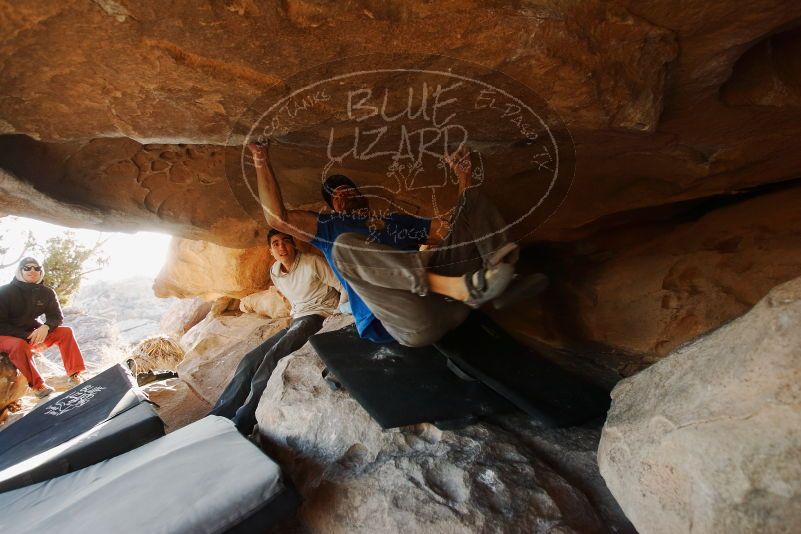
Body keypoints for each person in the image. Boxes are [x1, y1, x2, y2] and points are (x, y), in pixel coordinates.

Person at [248, 141, 522, 348]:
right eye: (337, 197)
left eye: (350, 191)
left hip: (452, 303)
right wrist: (260, 157)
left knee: (472, 201)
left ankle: (501, 275)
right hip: (410, 318)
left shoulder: (397, 221)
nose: (346, 196)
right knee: (345, 246)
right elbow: (277, 218)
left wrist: (464, 177)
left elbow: (455, 227)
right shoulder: (329, 229)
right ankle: (461, 287)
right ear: (329, 208)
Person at [210, 228, 345, 434]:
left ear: (293, 244)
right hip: (297, 320)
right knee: (249, 361)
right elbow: (293, 298)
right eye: (276, 244)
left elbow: (343, 285)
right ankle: (217, 418)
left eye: (286, 241)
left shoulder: (311, 262)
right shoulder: (275, 272)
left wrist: (336, 315)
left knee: (273, 359)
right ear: (270, 250)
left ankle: (242, 422)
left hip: (317, 318)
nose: (282, 247)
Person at [0, 257, 85, 398]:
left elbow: (56, 316)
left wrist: (46, 326)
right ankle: (38, 386)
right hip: (5, 335)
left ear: (41, 271)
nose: (32, 271)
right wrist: (25, 335)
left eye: (37, 268)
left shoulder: (47, 293)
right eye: (27, 268)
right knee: (19, 345)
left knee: (65, 332)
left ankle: (75, 375)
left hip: (31, 335)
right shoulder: (4, 292)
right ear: (19, 271)